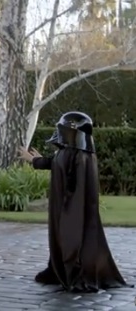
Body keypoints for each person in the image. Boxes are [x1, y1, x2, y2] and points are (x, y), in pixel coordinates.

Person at [18, 111, 132, 293]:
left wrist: (34, 159)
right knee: (82, 235)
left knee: (72, 236)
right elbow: (56, 162)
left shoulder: (74, 155)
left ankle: (75, 272)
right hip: (80, 207)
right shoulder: (83, 155)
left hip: (71, 206)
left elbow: (58, 163)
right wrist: (37, 160)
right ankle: (68, 269)